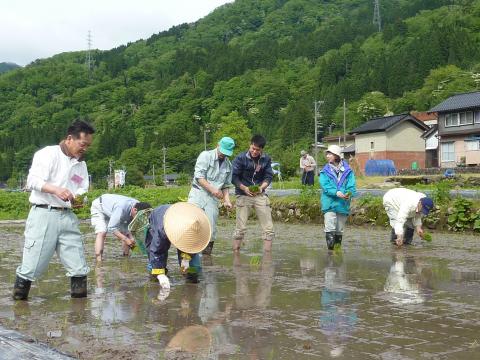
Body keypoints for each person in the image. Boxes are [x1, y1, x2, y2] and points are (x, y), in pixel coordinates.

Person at [13, 120, 95, 300]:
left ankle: (79, 317)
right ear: (69, 139)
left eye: (88, 146)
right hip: (44, 214)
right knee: (31, 267)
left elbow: (82, 187)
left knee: (78, 267)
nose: (85, 149)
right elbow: (32, 181)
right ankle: (19, 308)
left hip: (68, 216)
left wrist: (79, 198)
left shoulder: (80, 165)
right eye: (83, 145)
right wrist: (56, 190)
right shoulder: (48, 154)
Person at [142, 202, 211, 294]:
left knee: (193, 267)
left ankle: (191, 280)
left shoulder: (197, 224)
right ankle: (155, 279)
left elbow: (193, 245)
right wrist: (160, 275)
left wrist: (186, 259)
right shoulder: (162, 229)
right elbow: (156, 251)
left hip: (184, 222)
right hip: (160, 218)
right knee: (157, 258)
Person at [188, 136, 235, 255]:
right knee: (192, 223)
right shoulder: (205, 156)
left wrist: (227, 200)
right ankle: (188, 253)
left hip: (213, 199)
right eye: (222, 152)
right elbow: (199, 177)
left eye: (226, 153)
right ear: (218, 145)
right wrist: (213, 189)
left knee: (211, 228)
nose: (223, 155)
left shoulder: (228, 165)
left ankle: (206, 257)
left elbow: (225, 185)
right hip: (198, 193)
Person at [231, 135, 274, 252]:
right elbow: (234, 178)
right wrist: (244, 188)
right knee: (240, 228)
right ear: (250, 145)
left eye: (257, 150)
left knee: (268, 228)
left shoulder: (266, 159)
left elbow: (268, 176)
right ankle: (236, 254)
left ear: (262, 150)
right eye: (253, 148)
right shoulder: (240, 158)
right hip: (243, 194)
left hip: (259, 194)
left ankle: (267, 257)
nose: (254, 152)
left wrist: (261, 188)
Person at [90, 194, 151, 262]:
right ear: (135, 210)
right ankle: (99, 261)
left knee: (127, 233)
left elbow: (129, 228)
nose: (140, 219)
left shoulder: (140, 206)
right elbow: (111, 227)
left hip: (114, 209)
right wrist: (126, 239)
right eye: (139, 217)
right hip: (99, 207)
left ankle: (126, 258)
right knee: (102, 232)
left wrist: (131, 237)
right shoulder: (121, 208)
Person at [319, 145, 356, 251]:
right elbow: (325, 186)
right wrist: (336, 192)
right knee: (330, 227)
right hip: (329, 203)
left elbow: (352, 186)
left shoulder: (348, 171)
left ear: (337, 155)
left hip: (342, 204)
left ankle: (337, 253)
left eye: (330, 153)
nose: (327, 156)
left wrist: (348, 193)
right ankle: (331, 255)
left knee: (339, 229)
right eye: (327, 153)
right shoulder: (324, 171)